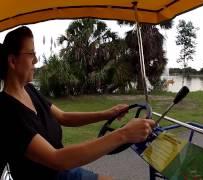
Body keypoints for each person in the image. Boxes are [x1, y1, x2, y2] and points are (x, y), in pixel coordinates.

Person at [0, 26, 155, 180]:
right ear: (13, 61)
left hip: (63, 172)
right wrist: (124, 134)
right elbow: (57, 159)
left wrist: (108, 113)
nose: (36, 59)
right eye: (31, 54)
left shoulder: (29, 90)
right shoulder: (6, 110)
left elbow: (63, 117)